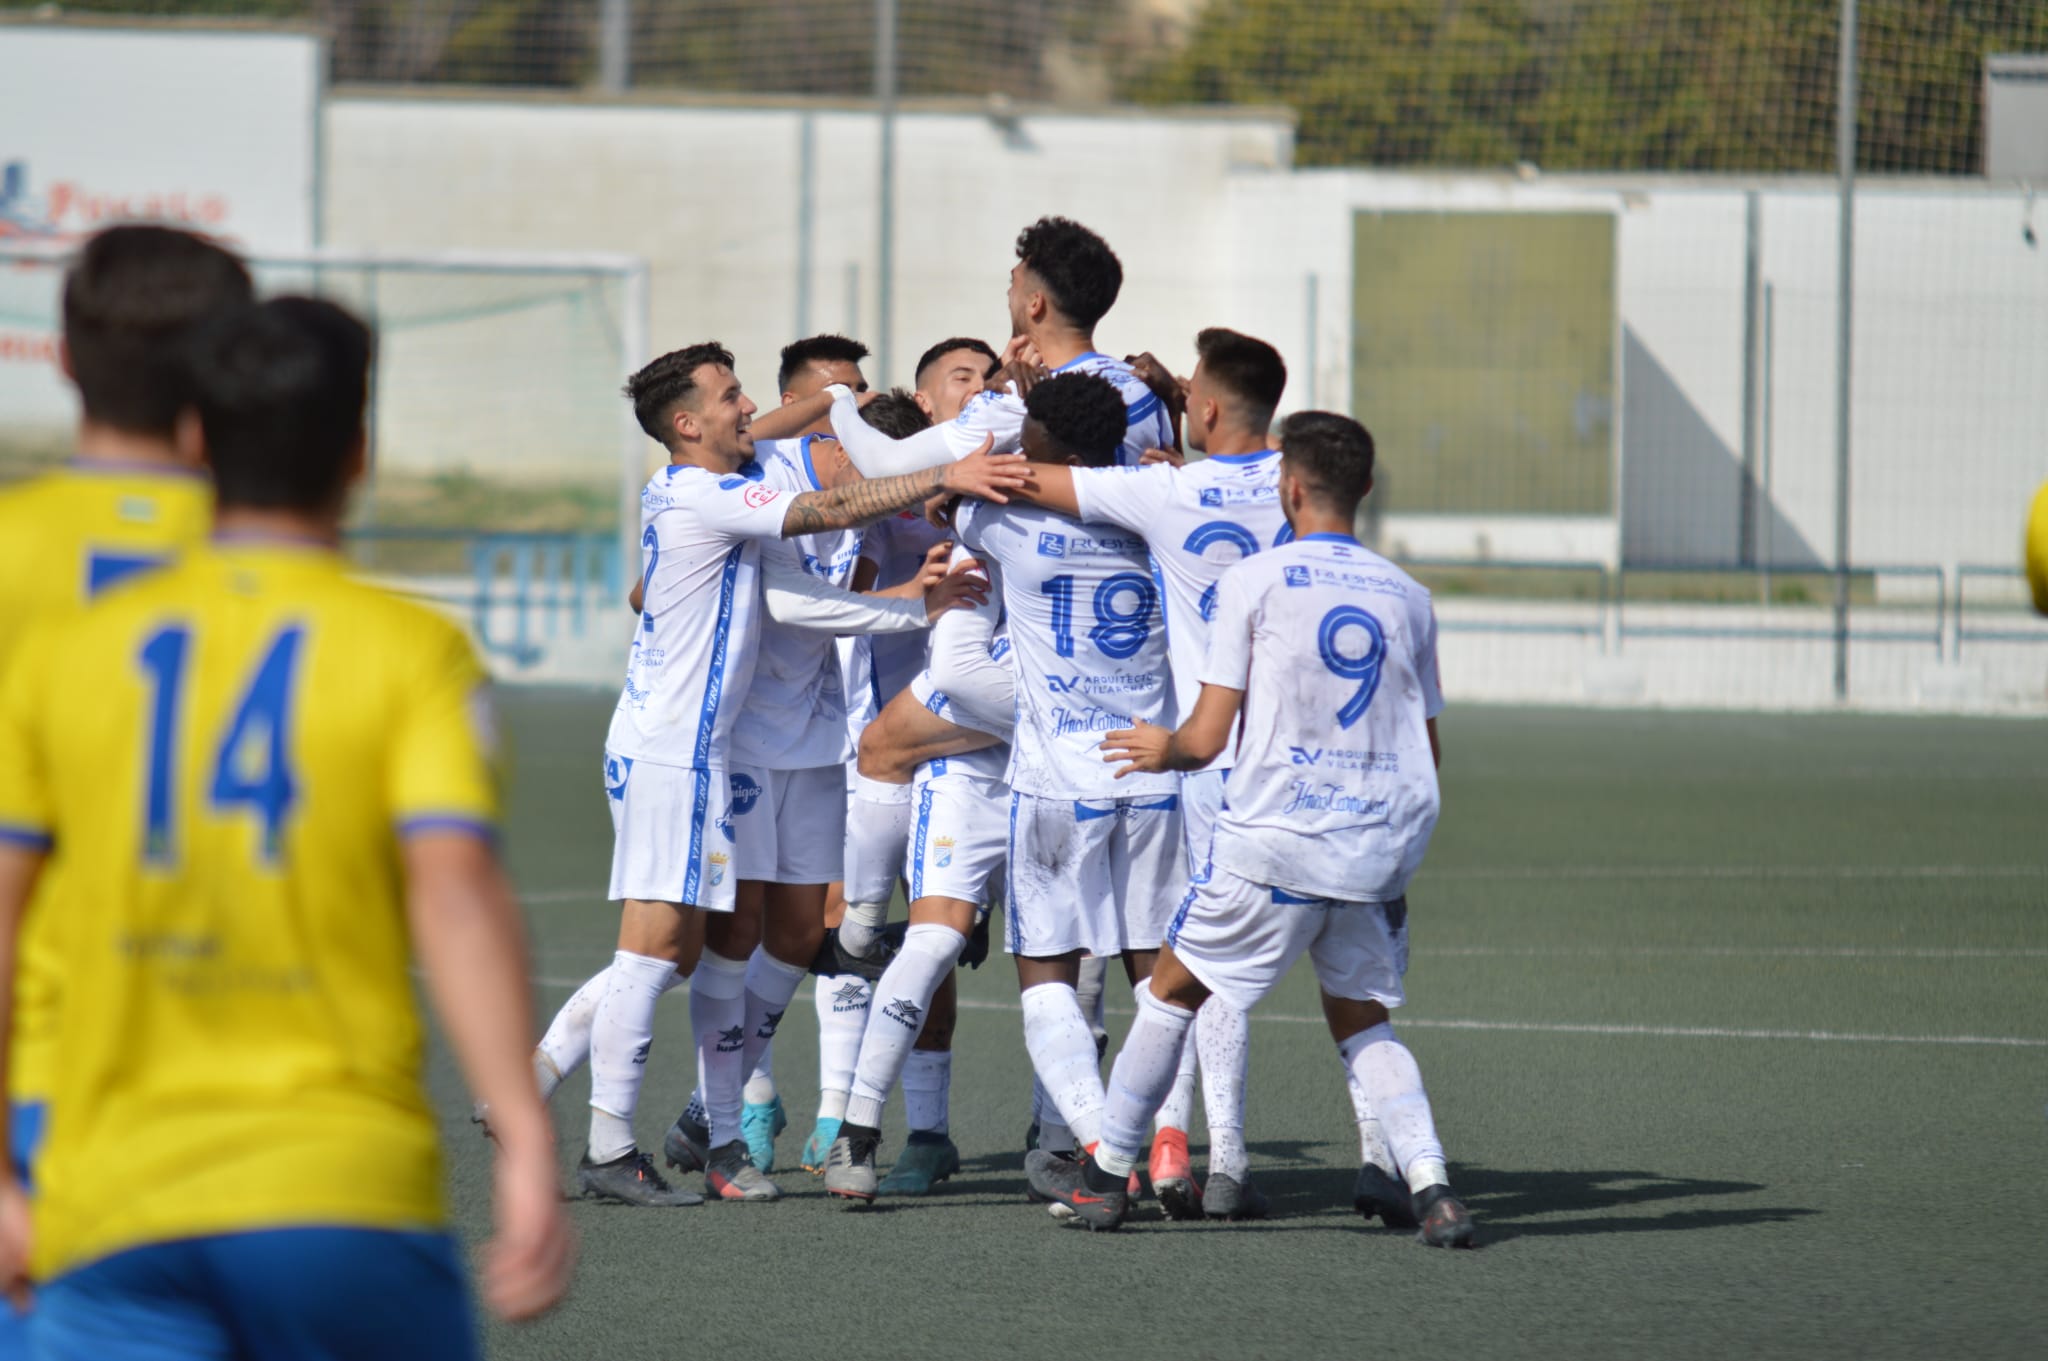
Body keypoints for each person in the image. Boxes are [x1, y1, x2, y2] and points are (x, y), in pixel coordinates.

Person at [0, 296, 577, 1358]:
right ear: (358, 450)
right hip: (340, 1188)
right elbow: (455, 892)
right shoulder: (413, 653)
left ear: (191, 439)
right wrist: (525, 1135)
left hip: (107, 1191)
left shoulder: (69, 654)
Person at [537, 342, 1025, 1206]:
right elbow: (829, 507)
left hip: (707, 748)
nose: (746, 408)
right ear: (686, 423)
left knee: (736, 948)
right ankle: (606, 1143)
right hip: (671, 749)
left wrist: (838, 404)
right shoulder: (709, 491)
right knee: (660, 952)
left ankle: (721, 1140)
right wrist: (943, 474)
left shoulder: (698, 482)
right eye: (730, 397)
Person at [1027, 411, 1475, 1248]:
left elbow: (1203, 738)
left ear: (1290, 487)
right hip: (1373, 849)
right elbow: (1429, 747)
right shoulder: (1410, 597)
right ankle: (1434, 1186)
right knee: (1365, 1022)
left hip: (1273, 841)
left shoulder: (1256, 581)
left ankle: (1104, 1177)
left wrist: (1162, 749)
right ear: (1366, 491)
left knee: (1169, 993)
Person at [0, 224, 252, 1358]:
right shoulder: (293, 574)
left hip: (51, 1077)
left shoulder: (14, 551)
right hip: (254, 1096)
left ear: (59, 355)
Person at [941, 372, 1192, 1208]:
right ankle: (1167, 1145)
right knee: (1159, 980)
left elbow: (954, 494)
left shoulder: (1002, 523)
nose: (1020, 446)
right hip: (1151, 776)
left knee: (1045, 977)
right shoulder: (1165, 512)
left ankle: (1099, 1149)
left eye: (1031, 433)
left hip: (1057, 788)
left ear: (1059, 451)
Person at [821, 551, 1013, 1202]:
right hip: (950, 753)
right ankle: (845, 1119)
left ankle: (1077, 1141)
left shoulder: (1117, 500)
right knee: (925, 938)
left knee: (1073, 962)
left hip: (1064, 754)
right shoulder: (898, 503)